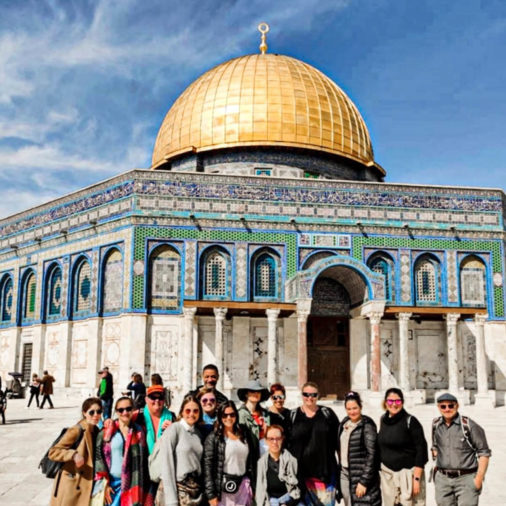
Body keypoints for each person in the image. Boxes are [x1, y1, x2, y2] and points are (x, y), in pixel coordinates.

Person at [432, 393, 491, 506]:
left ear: (457, 406)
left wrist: (478, 479)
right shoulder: (436, 425)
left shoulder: (469, 425)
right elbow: (435, 447)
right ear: (438, 407)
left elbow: (484, 453)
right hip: (443, 481)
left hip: (466, 480)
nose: (447, 409)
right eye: (443, 406)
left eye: (451, 405)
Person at [288, 381, 340, 506]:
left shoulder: (328, 414)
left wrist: (341, 467)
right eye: (306, 394)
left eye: (313, 395)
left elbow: (338, 442)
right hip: (300, 476)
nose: (309, 398)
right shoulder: (292, 415)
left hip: (325, 474)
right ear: (301, 395)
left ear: (318, 396)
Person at [94, 396, 153, 505]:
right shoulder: (107, 432)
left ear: (132, 410)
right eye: (121, 410)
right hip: (112, 485)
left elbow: (144, 460)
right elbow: (98, 457)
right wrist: (104, 483)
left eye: (128, 409)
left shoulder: (139, 432)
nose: (125, 412)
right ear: (116, 412)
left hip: (133, 483)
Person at [377, 388, 428, 506]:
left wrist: (416, 479)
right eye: (390, 401)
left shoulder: (411, 421)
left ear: (402, 402)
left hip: (409, 476)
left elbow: (421, 450)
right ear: (385, 403)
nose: (394, 404)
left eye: (398, 401)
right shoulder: (383, 420)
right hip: (389, 476)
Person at [48, 397, 102, 505]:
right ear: (84, 413)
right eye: (92, 412)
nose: (96, 415)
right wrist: (73, 455)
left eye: (99, 411)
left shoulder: (96, 430)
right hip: (72, 484)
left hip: (86, 482)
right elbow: (53, 452)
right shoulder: (76, 430)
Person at [204, 401, 257, 506]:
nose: (228, 418)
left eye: (232, 414)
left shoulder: (245, 433)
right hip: (223, 488)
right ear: (219, 416)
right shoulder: (213, 438)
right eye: (225, 415)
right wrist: (211, 495)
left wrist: (254, 486)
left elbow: (253, 460)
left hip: (243, 486)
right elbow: (208, 467)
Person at [157, 395, 205, 506]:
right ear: (182, 412)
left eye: (195, 411)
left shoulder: (198, 434)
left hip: (193, 492)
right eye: (188, 410)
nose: (191, 414)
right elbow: (167, 465)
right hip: (177, 490)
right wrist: (172, 501)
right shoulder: (174, 429)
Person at [338, 391, 381, 506]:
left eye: (355, 408)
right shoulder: (343, 424)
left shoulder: (367, 426)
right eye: (349, 409)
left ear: (361, 407)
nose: (352, 411)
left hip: (361, 475)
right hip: (345, 474)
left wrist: (364, 481)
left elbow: (372, 454)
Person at [256, 424, 301, 506]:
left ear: (282, 439)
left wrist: (288, 504)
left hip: (290, 500)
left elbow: (301, 488)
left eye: (278, 439)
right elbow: (260, 490)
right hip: (270, 503)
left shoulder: (292, 461)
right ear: (266, 440)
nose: (274, 442)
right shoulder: (261, 463)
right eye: (271, 439)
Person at [237, 380, 283, 456]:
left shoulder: (266, 414)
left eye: (258, 391)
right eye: (252, 391)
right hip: (249, 454)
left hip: (266, 454)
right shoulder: (240, 414)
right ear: (246, 394)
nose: (256, 394)